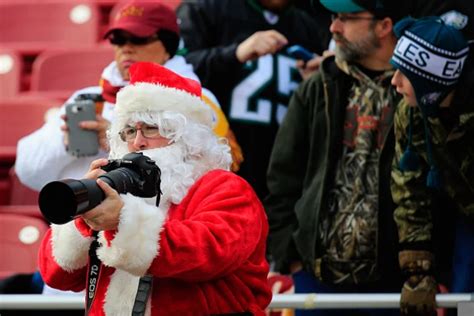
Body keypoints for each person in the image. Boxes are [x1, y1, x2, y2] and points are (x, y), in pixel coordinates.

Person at [38, 61, 272, 315]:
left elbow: (208, 253)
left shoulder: (225, 187)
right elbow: (56, 275)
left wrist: (123, 221)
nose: (137, 143)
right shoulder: (115, 190)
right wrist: (85, 218)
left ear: (186, 136)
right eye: (128, 131)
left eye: (151, 128)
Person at [264, 0, 406, 315]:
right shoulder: (319, 86)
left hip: (395, 282)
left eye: (347, 18)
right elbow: (282, 177)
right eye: (333, 17)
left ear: (384, 26)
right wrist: (289, 254)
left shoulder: (413, 88)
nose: (333, 28)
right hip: (317, 279)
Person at [15, 0, 242, 193]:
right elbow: (28, 173)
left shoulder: (197, 101)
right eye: (119, 40)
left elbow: (220, 174)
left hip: (155, 230)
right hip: (85, 224)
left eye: (138, 39)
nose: (126, 48)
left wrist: (117, 140)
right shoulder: (90, 97)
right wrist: (63, 144)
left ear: (167, 46)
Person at [177, 0, 331, 199]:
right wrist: (234, 53)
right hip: (218, 170)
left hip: (282, 175)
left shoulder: (308, 24)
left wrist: (318, 82)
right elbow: (176, 70)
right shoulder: (204, 9)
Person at [390, 16, 473, 315]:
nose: (394, 81)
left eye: (405, 74)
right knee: (465, 297)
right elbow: (409, 191)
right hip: (464, 221)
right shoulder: (410, 114)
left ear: (432, 82)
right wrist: (418, 274)